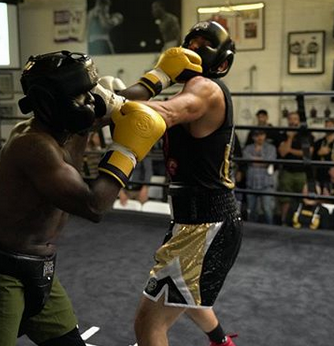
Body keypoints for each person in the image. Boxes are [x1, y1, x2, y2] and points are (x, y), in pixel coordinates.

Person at [0, 51, 166, 346]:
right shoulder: (33, 145)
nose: (91, 100)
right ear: (50, 101)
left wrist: (162, 76)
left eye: (91, 91)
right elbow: (94, 206)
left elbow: (128, 103)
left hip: (41, 272)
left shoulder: (71, 120)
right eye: (82, 94)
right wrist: (127, 151)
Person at [119, 21, 242, 346]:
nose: (193, 49)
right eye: (191, 42)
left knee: (148, 326)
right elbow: (137, 102)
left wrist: (106, 102)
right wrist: (155, 77)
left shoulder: (206, 89)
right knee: (182, 293)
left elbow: (162, 113)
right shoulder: (193, 88)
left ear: (220, 61)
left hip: (206, 225)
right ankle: (222, 343)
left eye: (203, 44)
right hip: (196, 222)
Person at [276, 111, 314, 224]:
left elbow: (308, 153)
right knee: (285, 199)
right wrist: (290, 138)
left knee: (303, 199)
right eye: (291, 119)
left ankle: (301, 222)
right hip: (287, 171)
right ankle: (284, 222)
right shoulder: (283, 134)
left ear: (299, 120)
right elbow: (282, 152)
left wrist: (290, 150)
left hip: (302, 172)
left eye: (295, 119)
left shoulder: (306, 134)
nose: (293, 121)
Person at [243, 130, 276, 224]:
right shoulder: (248, 148)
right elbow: (246, 158)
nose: (259, 137)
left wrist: (253, 160)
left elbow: (269, 161)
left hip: (266, 183)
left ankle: (272, 230)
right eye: (256, 135)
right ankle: (251, 234)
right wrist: (262, 161)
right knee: (251, 210)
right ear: (253, 137)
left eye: (261, 134)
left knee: (268, 210)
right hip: (251, 183)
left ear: (265, 135)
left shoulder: (271, 148)